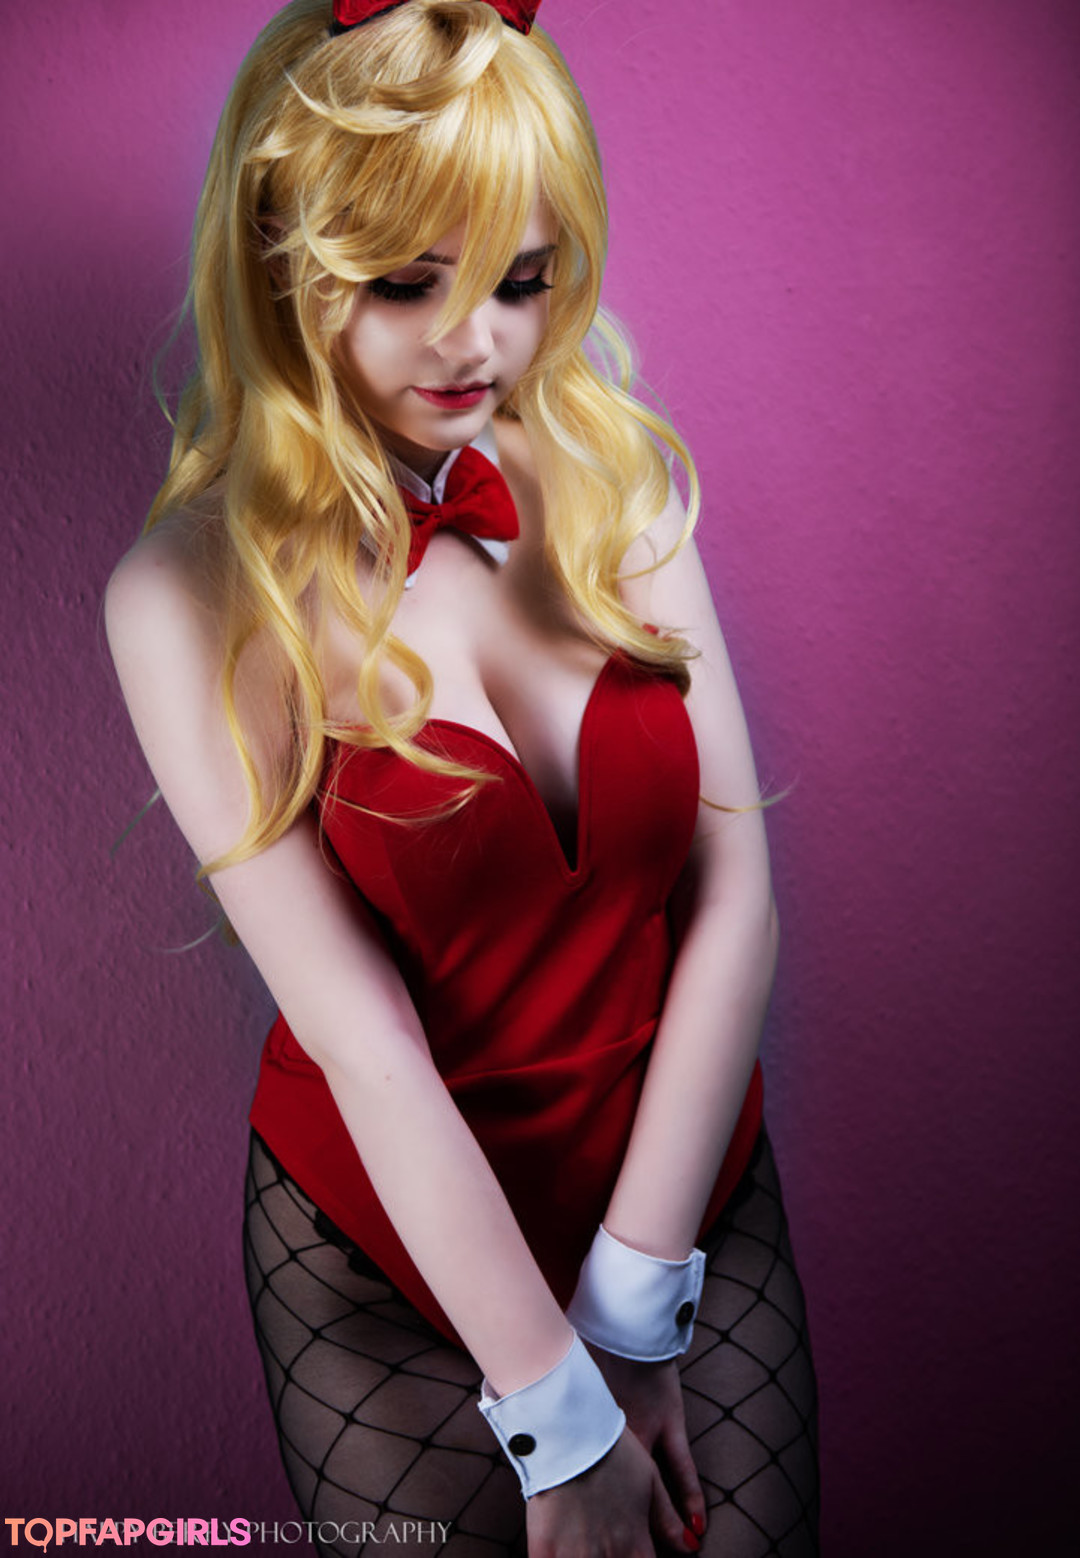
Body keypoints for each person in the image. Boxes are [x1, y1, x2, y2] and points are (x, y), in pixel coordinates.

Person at [106, 1, 819, 1553]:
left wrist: (637, 1302)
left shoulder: (617, 481)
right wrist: (558, 1416)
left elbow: (734, 898)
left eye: (521, 277)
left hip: (678, 1183)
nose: (476, 341)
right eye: (406, 282)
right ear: (285, 258)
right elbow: (358, 1037)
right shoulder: (185, 594)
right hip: (389, 1245)